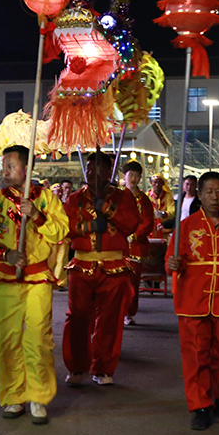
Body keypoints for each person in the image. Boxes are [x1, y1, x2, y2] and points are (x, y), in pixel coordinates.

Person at [0, 145, 69, 425]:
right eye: (4, 166)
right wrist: (5, 254)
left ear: (27, 169)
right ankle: (13, 397)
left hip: (37, 279)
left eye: (11, 166)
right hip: (4, 279)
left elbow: (61, 231)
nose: (5, 172)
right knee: (4, 340)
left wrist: (38, 216)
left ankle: (38, 395)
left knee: (38, 339)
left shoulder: (47, 199)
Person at [166, 171, 219, 430]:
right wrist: (173, 263)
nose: (214, 196)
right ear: (200, 195)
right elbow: (171, 262)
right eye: (209, 192)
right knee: (195, 356)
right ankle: (200, 405)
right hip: (193, 299)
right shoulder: (186, 226)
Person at [63, 151, 140, 386]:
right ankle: (77, 367)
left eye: (98, 168)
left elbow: (132, 223)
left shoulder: (123, 197)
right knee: (77, 318)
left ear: (110, 171)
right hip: (82, 265)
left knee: (110, 320)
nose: (92, 172)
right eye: (89, 168)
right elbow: (64, 227)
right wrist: (87, 226)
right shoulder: (74, 198)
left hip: (114, 266)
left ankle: (104, 368)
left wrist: (107, 208)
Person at [121, 160, 154, 326]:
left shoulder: (144, 200)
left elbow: (148, 222)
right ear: (124, 176)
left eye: (136, 175)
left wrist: (134, 235)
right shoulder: (117, 196)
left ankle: (128, 312)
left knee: (132, 283)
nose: (133, 178)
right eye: (130, 175)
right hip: (118, 246)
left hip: (135, 247)